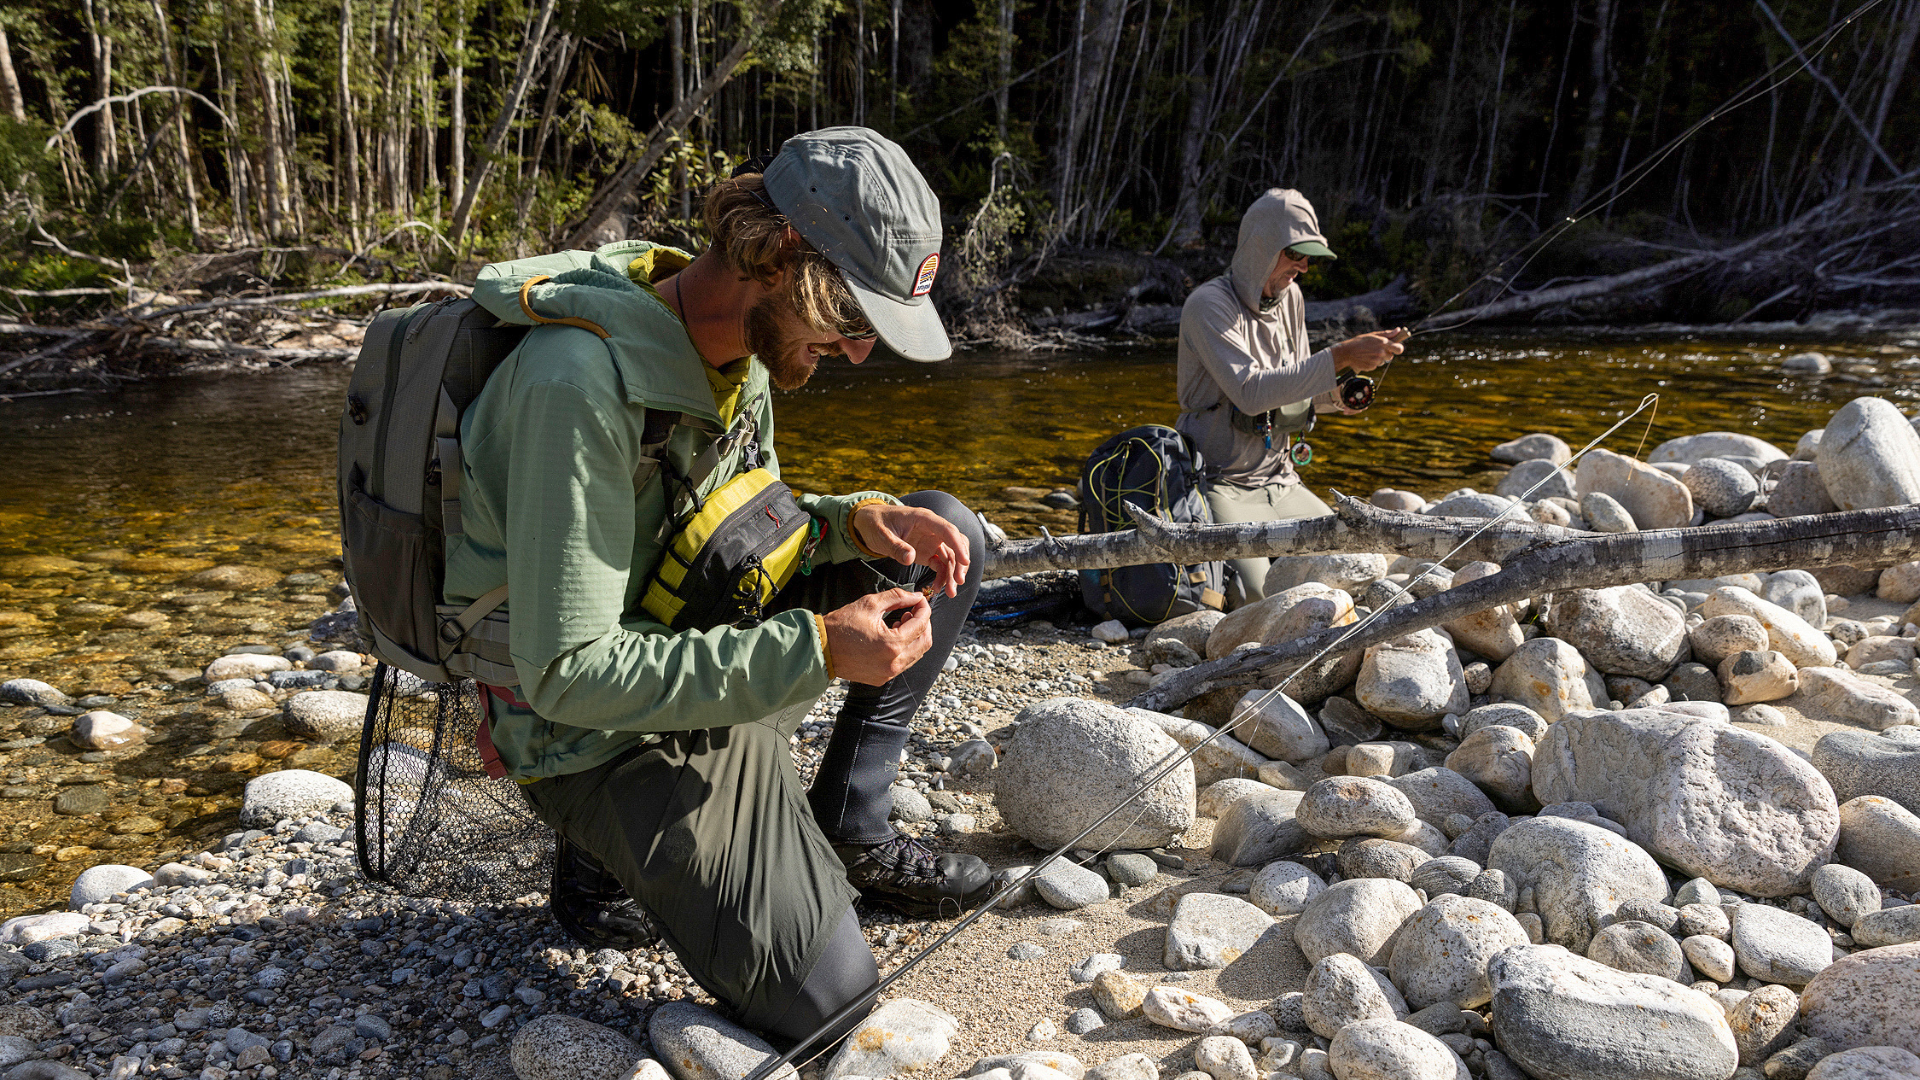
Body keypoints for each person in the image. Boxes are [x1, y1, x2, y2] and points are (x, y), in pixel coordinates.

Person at [440, 127, 990, 1051]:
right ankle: (599, 845)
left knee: (944, 530)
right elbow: (568, 673)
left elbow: (733, 528)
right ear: (777, 256)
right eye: (852, 318)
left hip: (676, 646)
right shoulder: (577, 386)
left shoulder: (744, 349)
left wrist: (849, 522)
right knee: (831, 1004)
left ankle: (850, 823)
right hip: (584, 733)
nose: (858, 354)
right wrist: (820, 649)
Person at [1175, 188, 1407, 608]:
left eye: (1309, 257)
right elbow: (1250, 393)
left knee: (1357, 566)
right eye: (1295, 253)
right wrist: (1341, 355)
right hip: (1221, 483)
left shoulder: (1292, 299)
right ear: (1260, 247)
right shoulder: (1208, 305)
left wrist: (1339, 395)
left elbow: (1296, 389)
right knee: (1257, 597)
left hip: (1282, 481)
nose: (1303, 266)